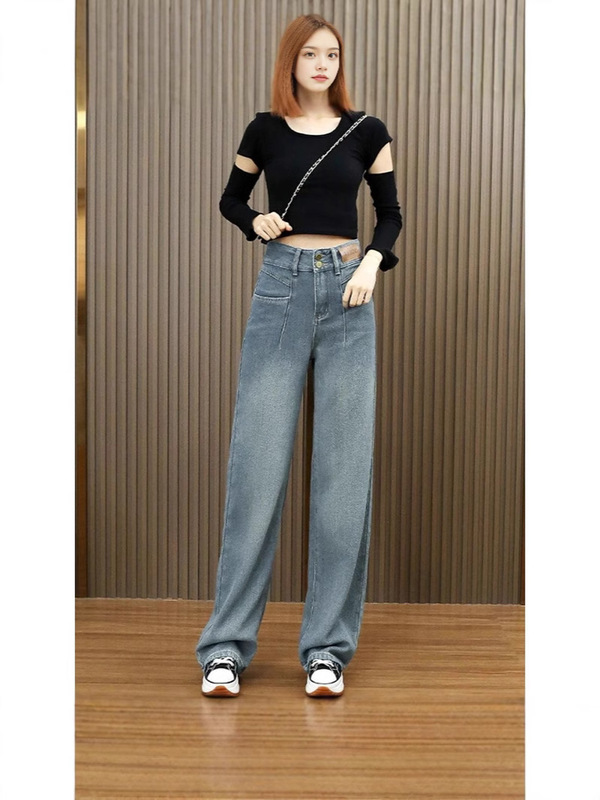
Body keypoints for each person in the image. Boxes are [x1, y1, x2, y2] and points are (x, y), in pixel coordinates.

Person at [195, 13, 402, 698]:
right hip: (281, 289)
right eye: (310, 53)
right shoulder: (264, 130)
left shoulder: (367, 131)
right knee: (255, 470)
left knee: (344, 475)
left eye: (332, 54)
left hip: (349, 293)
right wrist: (254, 219)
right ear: (291, 60)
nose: (322, 64)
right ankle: (225, 649)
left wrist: (372, 260)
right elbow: (231, 198)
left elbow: (391, 213)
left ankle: (327, 652)